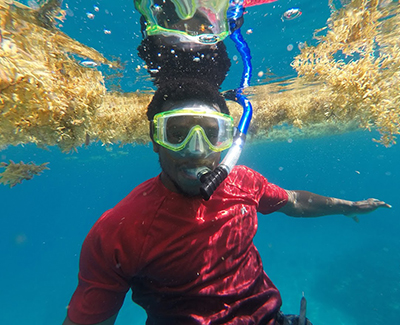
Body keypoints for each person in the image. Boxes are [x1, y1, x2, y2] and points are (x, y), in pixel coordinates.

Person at [62, 79, 391, 325]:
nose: (195, 149)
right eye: (176, 133)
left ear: (228, 140)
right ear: (154, 141)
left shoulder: (244, 181)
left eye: (211, 133)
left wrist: (348, 206)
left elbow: (292, 201)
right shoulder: (117, 233)